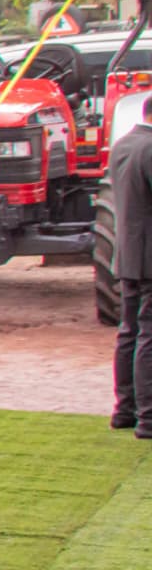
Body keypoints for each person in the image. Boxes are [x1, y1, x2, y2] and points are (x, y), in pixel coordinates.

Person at [111, 116, 152, 437]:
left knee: (129, 331)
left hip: (128, 253)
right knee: (147, 335)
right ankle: (148, 417)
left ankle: (125, 410)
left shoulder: (123, 144)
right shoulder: (149, 148)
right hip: (149, 256)